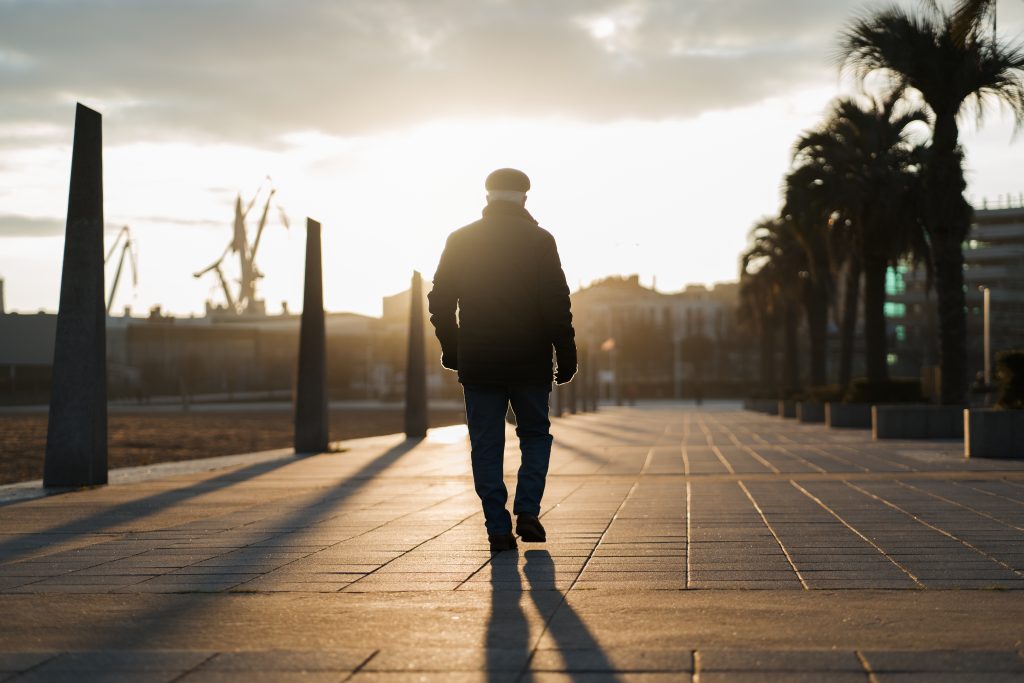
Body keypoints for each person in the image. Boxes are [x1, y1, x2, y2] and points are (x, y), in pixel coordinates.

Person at [428, 168, 577, 552]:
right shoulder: (540, 240)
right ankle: (528, 510)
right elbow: (556, 303)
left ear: (488, 196)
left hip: (480, 362)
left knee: (486, 443)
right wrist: (567, 352)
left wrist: (452, 347)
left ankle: (497, 527)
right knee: (535, 435)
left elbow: (440, 301)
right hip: (530, 360)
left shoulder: (461, 239)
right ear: (525, 198)